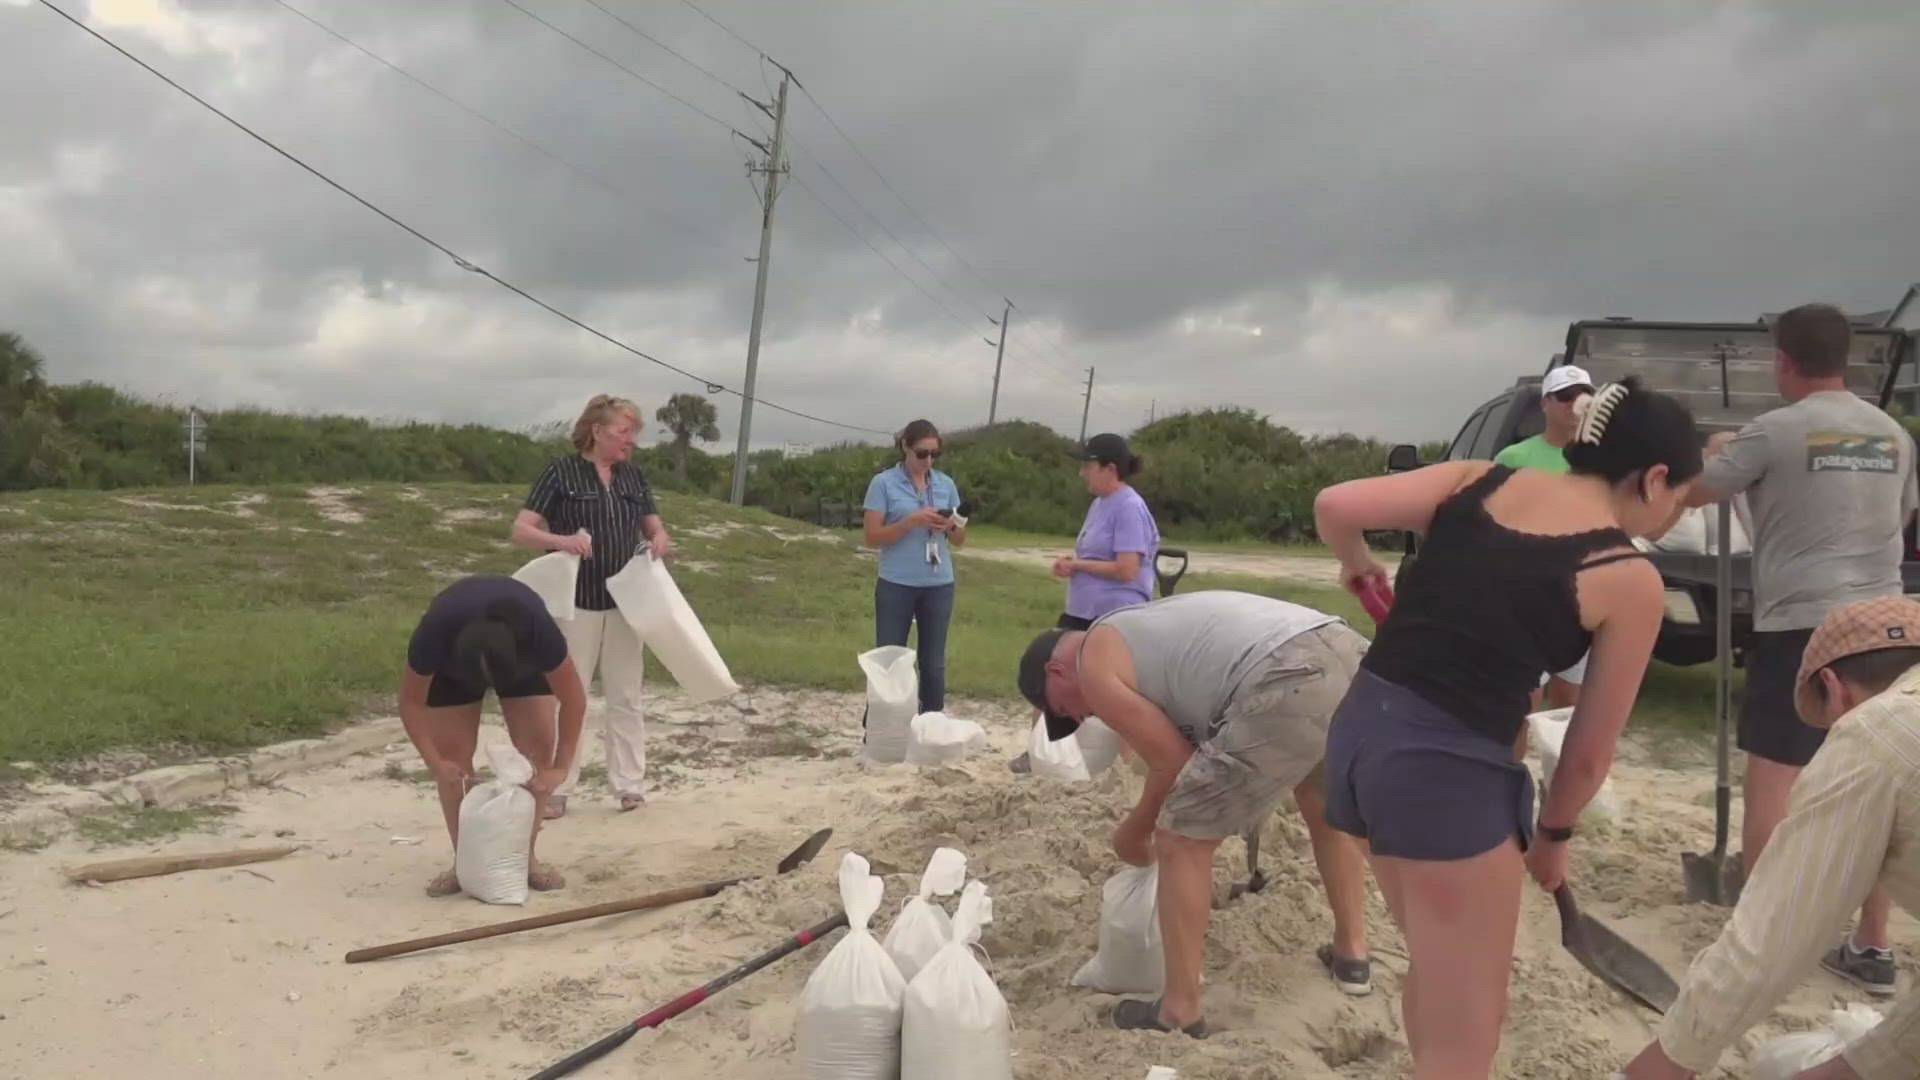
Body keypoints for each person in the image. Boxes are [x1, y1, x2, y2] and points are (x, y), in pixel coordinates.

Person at [1313, 376, 1703, 1078]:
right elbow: (1587, 753)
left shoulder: (1480, 479)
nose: (1677, 515)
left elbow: (1336, 505)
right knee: (1470, 1035)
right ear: (1653, 478)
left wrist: (1360, 566)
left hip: (1358, 735)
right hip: (1442, 772)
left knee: (1438, 969)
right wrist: (1553, 837)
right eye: (1682, 498)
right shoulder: (1625, 574)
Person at [1677, 303, 1919, 994]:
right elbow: (1900, 517)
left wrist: (1719, 454)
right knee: (1883, 782)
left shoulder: (1772, 431)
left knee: (1775, 781)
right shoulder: (1892, 434)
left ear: (1783, 361)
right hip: (1888, 626)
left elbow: (1694, 494)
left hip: (1802, 627)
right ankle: (1872, 948)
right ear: (1846, 358)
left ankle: (1761, 938)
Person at [1017, 589, 1378, 1033]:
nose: (1080, 715)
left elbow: (1173, 761)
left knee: (1181, 838)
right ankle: (1352, 955)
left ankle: (1180, 1009)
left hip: (1287, 673)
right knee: (1325, 807)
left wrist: (1132, 834)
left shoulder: (1092, 661)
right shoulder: (1139, 629)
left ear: (1057, 671)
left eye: (1063, 709)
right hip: (1346, 651)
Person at [1622, 596, 1920, 1080]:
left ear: (1833, 688)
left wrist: (1661, 1065)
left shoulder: (1875, 732)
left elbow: (1772, 938)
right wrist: (1852, 1068)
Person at [512, 394, 673, 817]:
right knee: (570, 696)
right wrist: (561, 541)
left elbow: (656, 528)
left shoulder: (633, 477)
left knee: (626, 695)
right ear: (597, 431)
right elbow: (522, 530)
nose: (631, 442)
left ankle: (630, 786)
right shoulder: (561, 472)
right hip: (575, 604)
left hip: (626, 603)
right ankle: (559, 785)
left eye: (634, 434)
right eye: (624, 432)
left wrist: (658, 541)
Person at [400, 574, 587, 897]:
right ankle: (465, 864)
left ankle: (526, 858)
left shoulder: (538, 632)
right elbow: (410, 703)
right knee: (453, 764)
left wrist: (560, 767)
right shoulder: (434, 634)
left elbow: (574, 700)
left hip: (521, 661)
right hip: (452, 672)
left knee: (536, 757)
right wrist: (434, 762)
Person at [1011, 433, 1162, 773]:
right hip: (1081, 610)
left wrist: (1078, 566)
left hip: (1114, 615)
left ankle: (1132, 767)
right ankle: (1039, 752)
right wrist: (1073, 563)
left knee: (1117, 690)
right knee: (1050, 671)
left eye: (1087, 466)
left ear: (1110, 468)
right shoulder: (1100, 503)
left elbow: (1128, 568)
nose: (1082, 473)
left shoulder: (1129, 507)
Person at [1496, 364, 1599, 713]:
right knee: (1522, 708)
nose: (1575, 404)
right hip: (1526, 599)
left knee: (1569, 710)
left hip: (1580, 599)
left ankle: (1559, 768)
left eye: (1583, 396)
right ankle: (1514, 768)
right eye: (1565, 397)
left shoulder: (1602, 462)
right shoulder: (1515, 458)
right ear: (1545, 404)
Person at [862, 419, 966, 715]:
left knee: (933, 663)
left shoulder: (945, 484)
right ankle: (880, 731)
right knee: (890, 659)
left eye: (935, 454)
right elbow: (872, 537)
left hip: (939, 584)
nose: (928, 461)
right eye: (922, 454)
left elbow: (960, 539)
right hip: (897, 583)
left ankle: (931, 728)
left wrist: (949, 525)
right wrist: (911, 521)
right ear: (905, 447)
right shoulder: (883, 483)